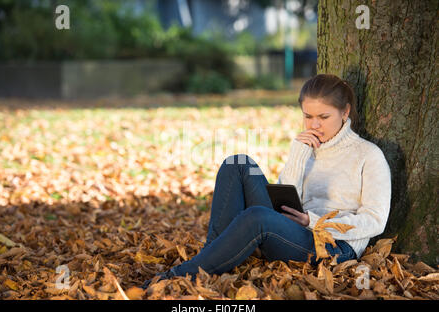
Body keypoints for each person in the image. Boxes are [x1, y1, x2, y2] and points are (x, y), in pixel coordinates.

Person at [140, 74, 392, 289]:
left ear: (345, 112)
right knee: (237, 164)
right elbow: (284, 196)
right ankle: (211, 258)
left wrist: (313, 222)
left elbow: (375, 220)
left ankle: (177, 277)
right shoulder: (307, 147)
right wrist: (297, 153)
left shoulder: (368, 155)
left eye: (323, 117)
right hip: (294, 229)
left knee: (257, 216)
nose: (314, 125)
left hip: (332, 248)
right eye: (308, 116)